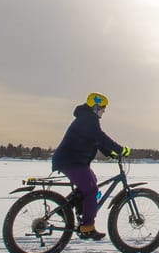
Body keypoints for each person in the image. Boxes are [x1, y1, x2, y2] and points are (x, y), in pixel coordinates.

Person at [51, 92, 130, 240]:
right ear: (95, 107)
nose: (104, 111)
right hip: (71, 161)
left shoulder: (86, 119)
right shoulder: (88, 119)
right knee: (91, 190)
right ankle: (87, 227)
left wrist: (111, 153)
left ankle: (65, 208)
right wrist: (121, 150)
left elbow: (97, 141)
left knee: (90, 183)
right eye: (102, 108)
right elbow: (101, 137)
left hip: (73, 160)